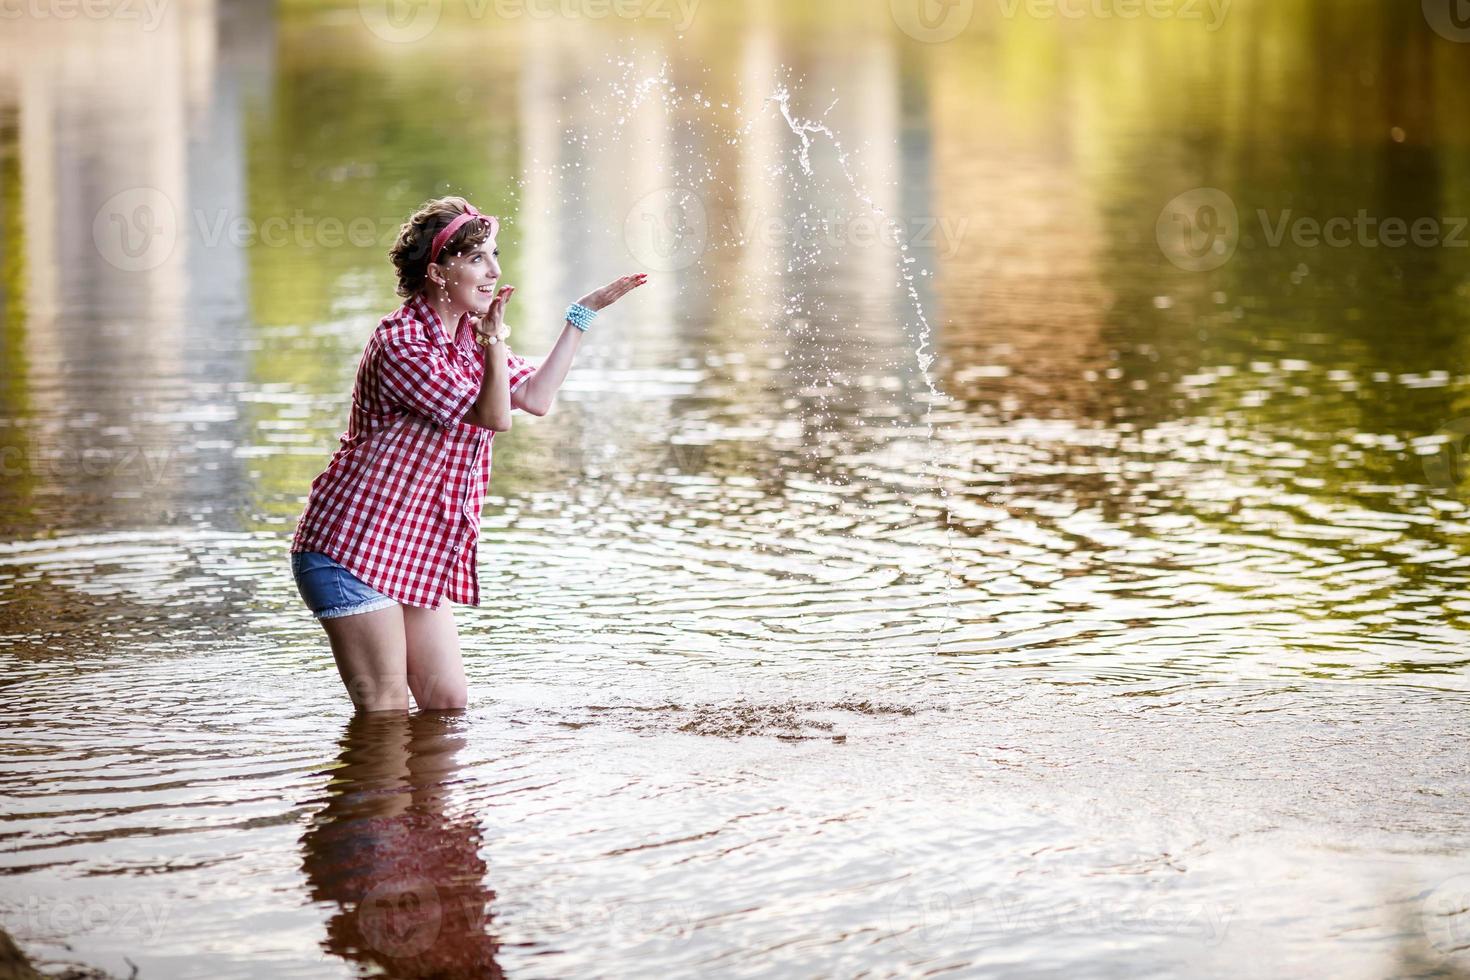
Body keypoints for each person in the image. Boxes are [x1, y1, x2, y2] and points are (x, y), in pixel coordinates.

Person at [289, 195, 646, 713]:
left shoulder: (467, 343)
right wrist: (495, 342)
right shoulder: (401, 343)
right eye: (476, 258)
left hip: (405, 548)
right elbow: (493, 416)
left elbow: (536, 399)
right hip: (349, 548)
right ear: (437, 272)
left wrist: (581, 314)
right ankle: (377, 796)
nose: (493, 271)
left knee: (447, 706)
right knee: (386, 714)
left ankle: (423, 797)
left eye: (494, 255)